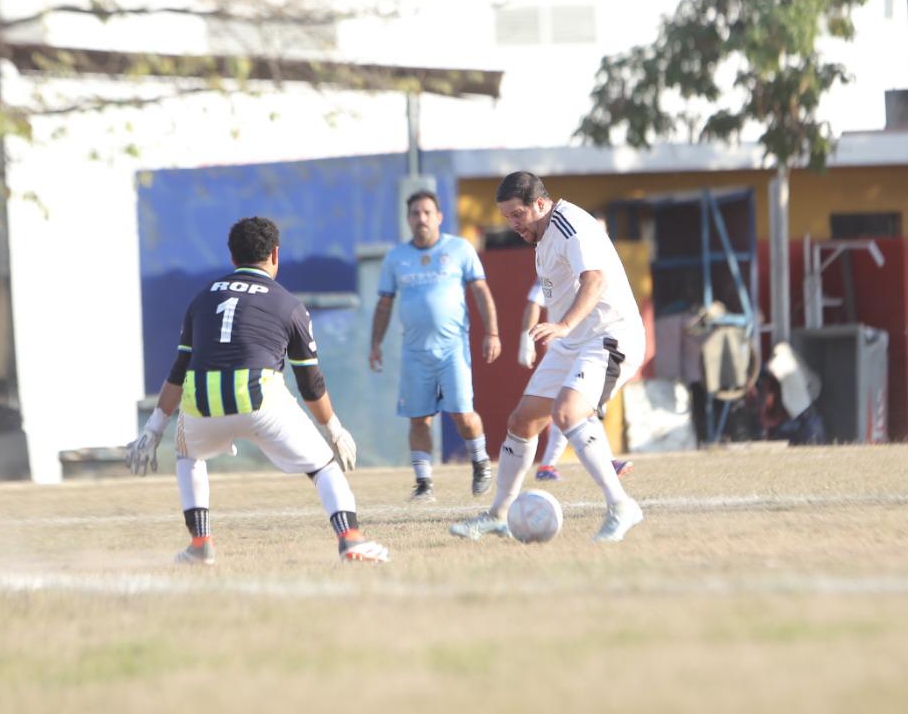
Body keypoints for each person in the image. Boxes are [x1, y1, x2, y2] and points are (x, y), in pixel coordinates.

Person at [125, 216, 390, 564]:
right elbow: (310, 382)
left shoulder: (202, 299)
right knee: (323, 467)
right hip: (259, 399)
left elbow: (179, 369)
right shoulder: (288, 304)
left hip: (202, 402)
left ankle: (201, 543)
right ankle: (350, 538)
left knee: (189, 457)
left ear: (232, 258)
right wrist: (333, 429)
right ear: (275, 255)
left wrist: (153, 429)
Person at [452, 172, 646, 542]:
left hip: (610, 336)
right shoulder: (543, 236)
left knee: (568, 412)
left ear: (540, 204)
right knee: (522, 422)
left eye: (517, 215)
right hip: (573, 342)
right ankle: (498, 515)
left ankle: (622, 506)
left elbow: (596, 280)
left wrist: (563, 325)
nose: (512, 225)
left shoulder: (570, 224)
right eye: (507, 217)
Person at [370, 190, 501, 503]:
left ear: (439, 217)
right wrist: (375, 343)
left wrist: (492, 332)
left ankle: (481, 462)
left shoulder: (459, 249)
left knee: (463, 415)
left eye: (427, 212)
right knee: (418, 418)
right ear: (408, 219)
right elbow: (385, 303)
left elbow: (481, 291)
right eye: (415, 213)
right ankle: (424, 483)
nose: (421, 218)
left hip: (453, 349)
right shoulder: (396, 257)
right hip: (415, 352)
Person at [518, 278, 633, 483]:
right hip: (565, 350)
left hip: (587, 347)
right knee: (576, 408)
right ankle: (603, 462)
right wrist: (526, 341)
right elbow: (534, 303)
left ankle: (549, 465)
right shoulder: (552, 272)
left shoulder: (590, 272)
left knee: (576, 409)